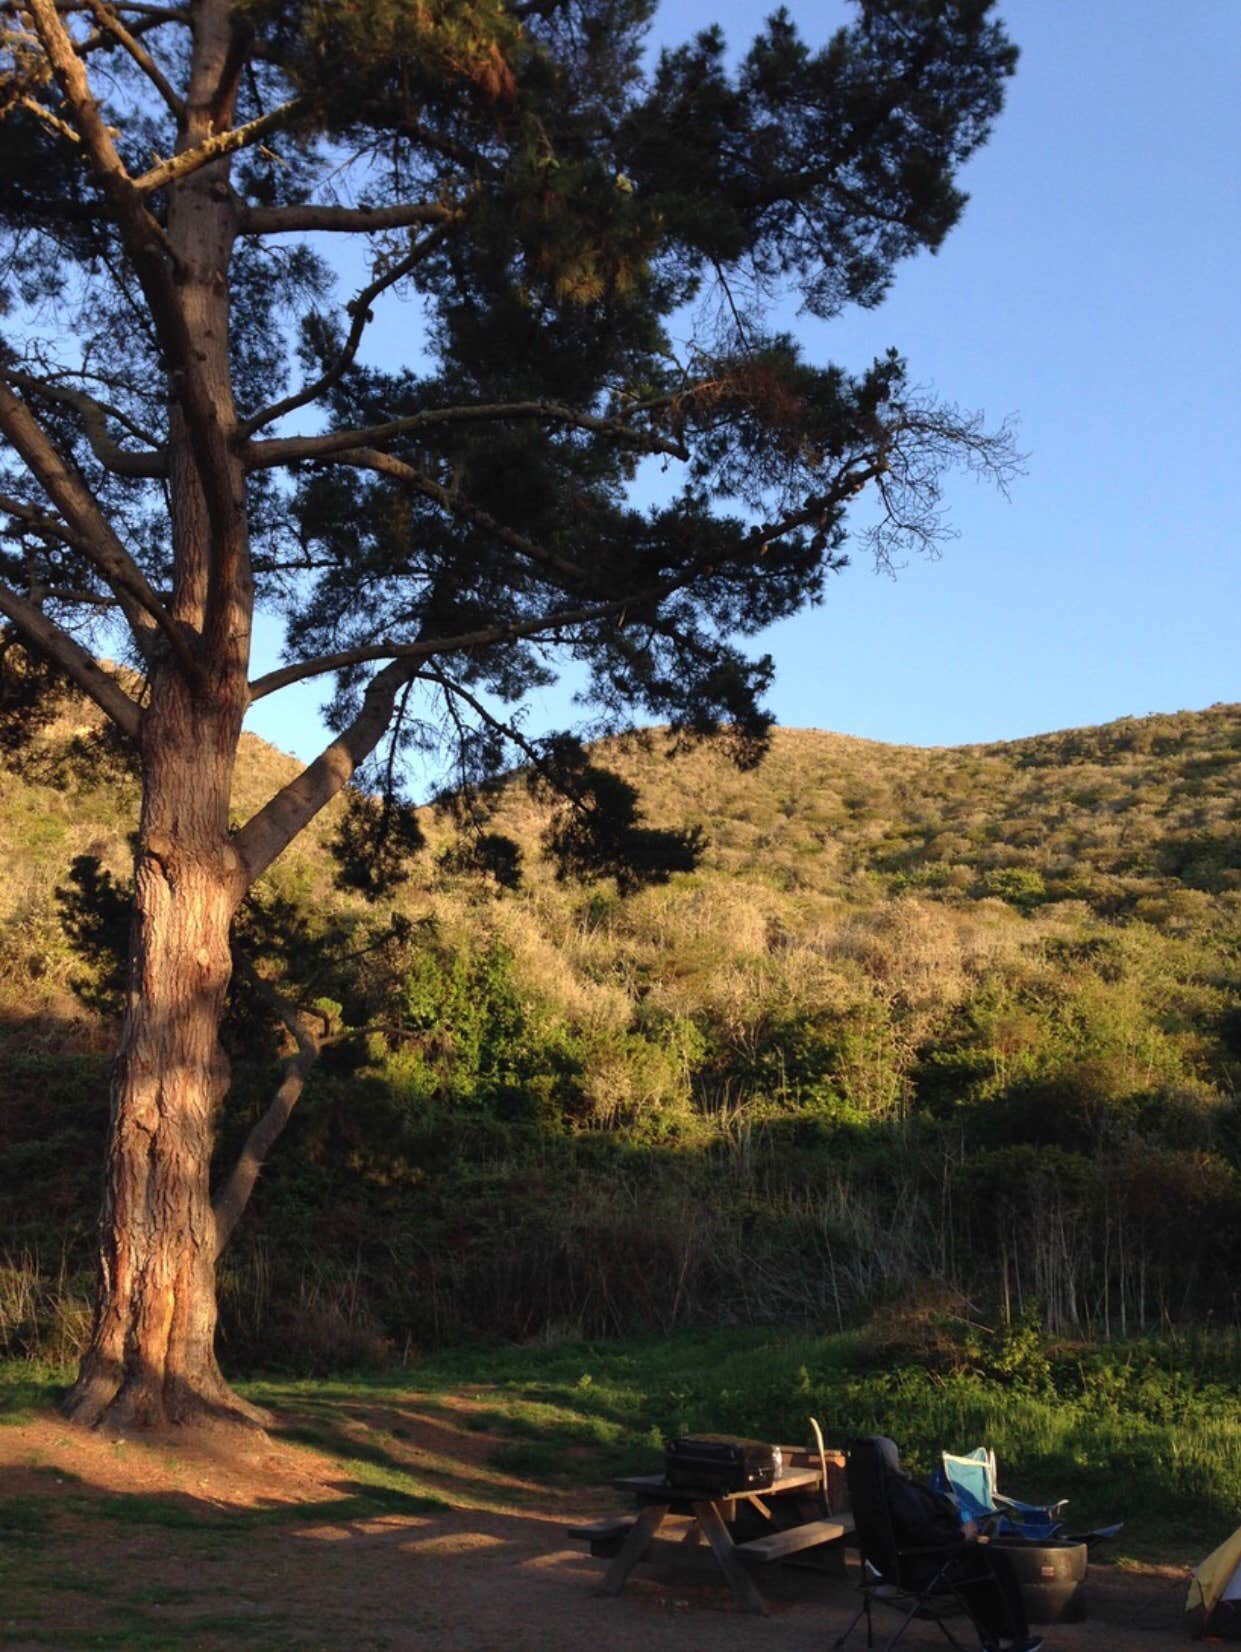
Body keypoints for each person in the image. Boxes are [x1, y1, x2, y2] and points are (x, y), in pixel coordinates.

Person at [872, 1437, 1043, 1652]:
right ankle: (1010, 1640)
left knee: (981, 1561)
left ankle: (996, 1641)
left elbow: (916, 1529)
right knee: (993, 1563)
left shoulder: (871, 1491)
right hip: (922, 1568)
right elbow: (922, 1532)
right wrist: (960, 1535)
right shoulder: (897, 1491)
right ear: (890, 1459)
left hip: (897, 1566)